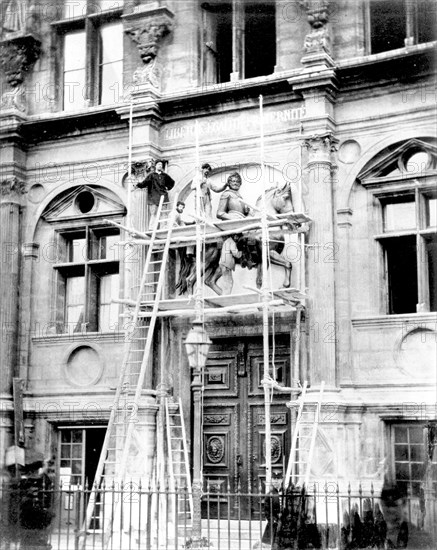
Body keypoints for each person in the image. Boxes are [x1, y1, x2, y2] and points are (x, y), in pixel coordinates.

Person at [216, 172, 252, 294]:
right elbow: (220, 213)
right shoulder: (226, 194)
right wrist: (235, 219)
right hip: (232, 223)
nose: (235, 183)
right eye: (233, 181)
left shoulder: (240, 197)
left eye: (237, 182)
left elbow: (243, 213)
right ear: (229, 183)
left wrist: (246, 212)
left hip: (242, 222)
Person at [136, 160, 175, 227]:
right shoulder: (151, 175)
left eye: (161, 165)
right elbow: (144, 183)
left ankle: (163, 227)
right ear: (155, 166)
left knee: (164, 213)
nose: (160, 166)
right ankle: (152, 227)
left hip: (163, 196)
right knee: (153, 213)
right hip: (153, 197)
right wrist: (137, 184)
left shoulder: (164, 175)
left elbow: (172, 182)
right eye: (159, 164)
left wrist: (167, 188)